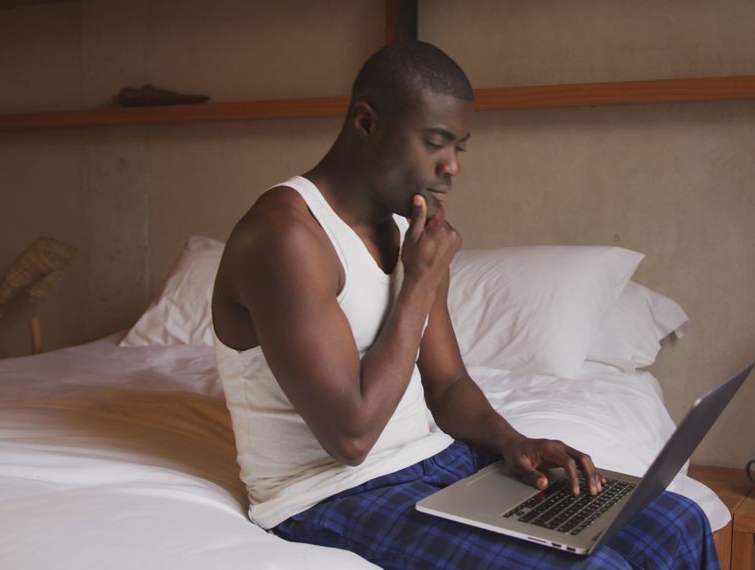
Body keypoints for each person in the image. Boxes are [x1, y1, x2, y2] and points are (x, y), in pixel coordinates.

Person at [211, 41, 718, 569]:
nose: (452, 165)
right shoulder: (286, 237)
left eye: (459, 146)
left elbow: (447, 385)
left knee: (676, 522)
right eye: (435, 142)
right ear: (366, 122)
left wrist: (515, 441)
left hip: (435, 461)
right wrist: (419, 283)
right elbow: (352, 437)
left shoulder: (409, 227)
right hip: (331, 492)